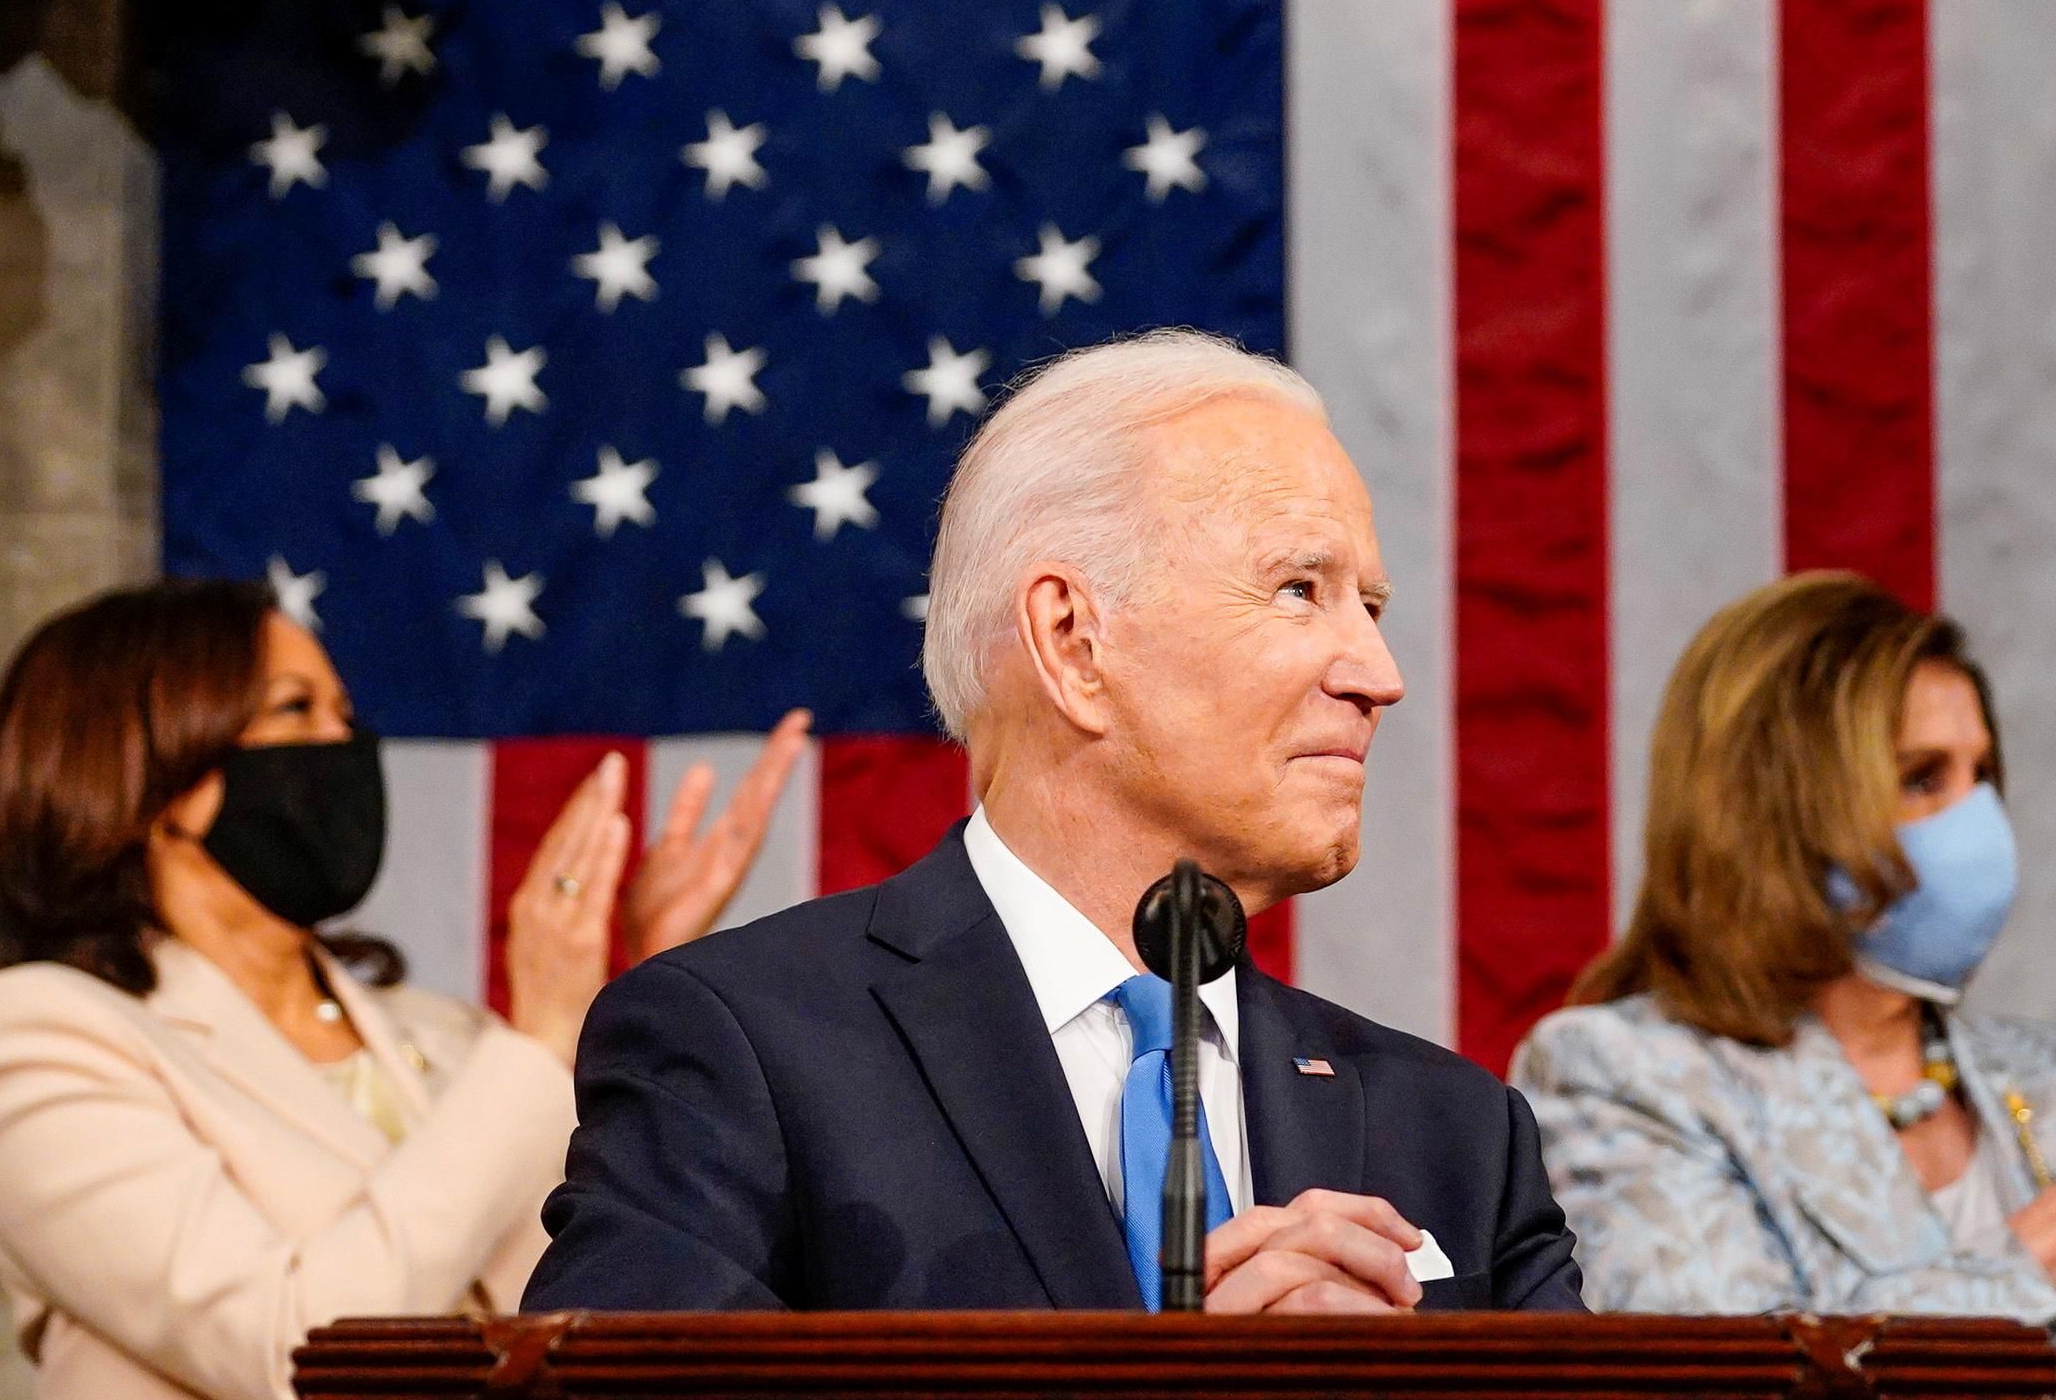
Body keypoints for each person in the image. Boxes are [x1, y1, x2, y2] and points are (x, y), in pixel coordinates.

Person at [524, 331, 1587, 1315]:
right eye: (1299, 589)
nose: (1377, 675)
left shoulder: (1456, 1135)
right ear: (1072, 641)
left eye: (1371, 607)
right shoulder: (746, 1054)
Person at [0, 578, 809, 1400]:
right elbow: (304, 1356)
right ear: (152, 769)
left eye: (344, 716)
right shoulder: (33, 1035)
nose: (342, 746)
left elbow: (618, 1289)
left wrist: (638, 983)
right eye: (295, 710)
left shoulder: (448, 1038)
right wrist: (542, 1033)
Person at [1511, 573, 2056, 1400]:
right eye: (1924, 778)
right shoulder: (1618, 1074)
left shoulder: (2050, 1076)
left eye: (1982, 776)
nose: (1979, 821)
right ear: (1777, 809)